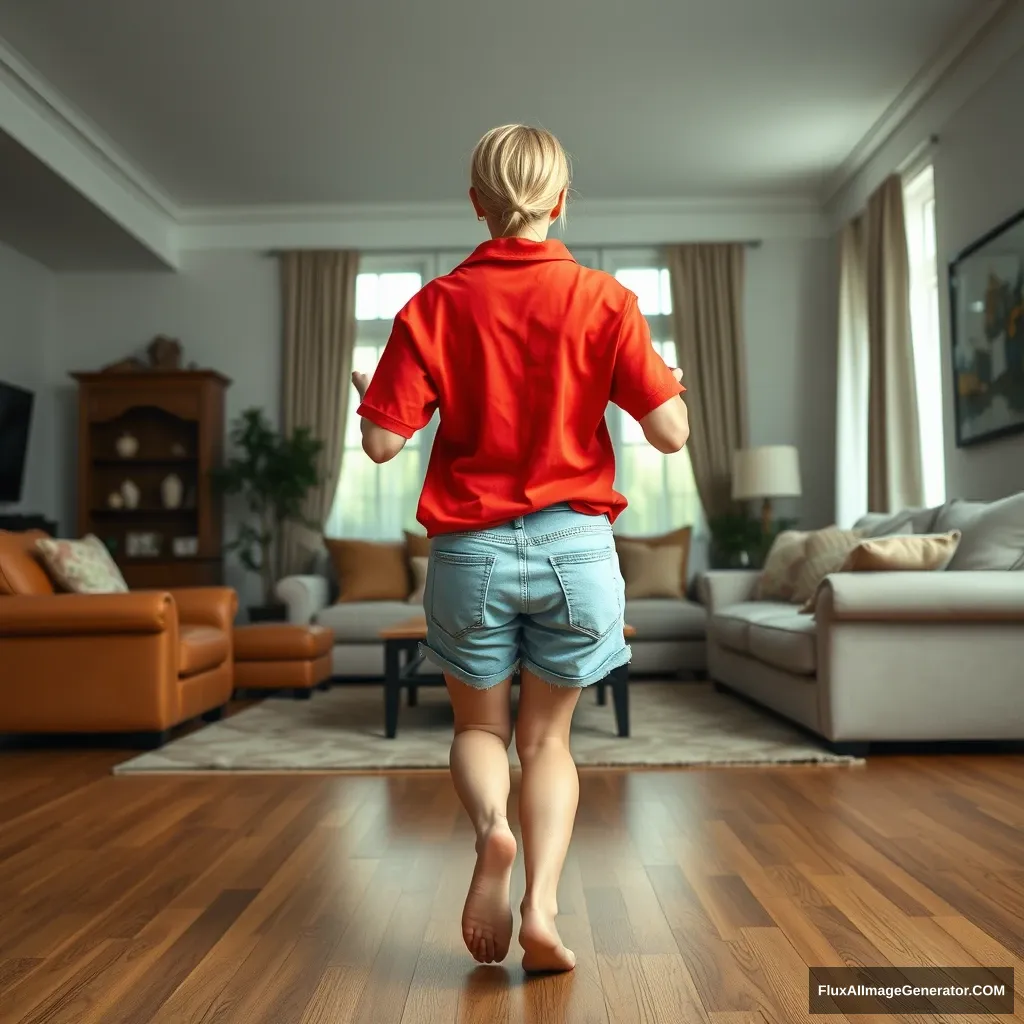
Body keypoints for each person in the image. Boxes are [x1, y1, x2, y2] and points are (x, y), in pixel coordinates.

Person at [352, 124, 689, 973]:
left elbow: (384, 448)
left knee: (479, 729)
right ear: (562, 200)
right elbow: (671, 433)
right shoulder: (607, 301)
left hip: (469, 553)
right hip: (577, 550)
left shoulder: (432, 306)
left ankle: (492, 832)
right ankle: (539, 911)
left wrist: (372, 399)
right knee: (548, 743)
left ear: (476, 204)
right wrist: (669, 387)